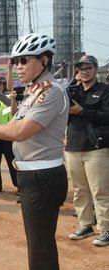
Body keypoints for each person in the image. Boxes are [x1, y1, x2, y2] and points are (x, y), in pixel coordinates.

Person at [0, 33, 68, 270]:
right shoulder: (32, 91)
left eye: (24, 60)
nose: (18, 66)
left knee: (40, 248)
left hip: (43, 176)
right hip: (31, 176)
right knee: (38, 243)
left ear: (44, 61)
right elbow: (11, 126)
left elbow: (20, 132)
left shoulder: (51, 92)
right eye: (17, 61)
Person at [65, 55, 109, 247]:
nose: (84, 71)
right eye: (81, 69)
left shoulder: (105, 91)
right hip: (73, 146)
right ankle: (85, 224)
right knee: (79, 190)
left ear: (96, 69)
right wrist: (70, 88)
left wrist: (82, 111)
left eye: (88, 68)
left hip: (96, 148)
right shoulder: (73, 92)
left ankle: (106, 228)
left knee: (100, 190)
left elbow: (107, 116)